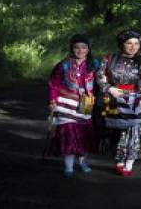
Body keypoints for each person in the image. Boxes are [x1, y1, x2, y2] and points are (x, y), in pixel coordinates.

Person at [97, 30, 141, 176]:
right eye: (129, 43)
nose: (133, 47)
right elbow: (99, 76)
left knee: (134, 131)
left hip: (137, 99)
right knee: (117, 131)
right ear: (121, 44)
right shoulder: (110, 58)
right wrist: (109, 88)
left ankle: (129, 161)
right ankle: (118, 161)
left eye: (136, 43)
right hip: (114, 98)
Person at [47, 34, 100, 177]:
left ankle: (83, 164)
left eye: (84, 47)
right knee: (68, 134)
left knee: (84, 135)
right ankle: (68, 167)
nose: (80, 50)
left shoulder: (95, 64)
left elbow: (103, 82)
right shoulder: (63, 65)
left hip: (87, 103)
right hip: (65, 103)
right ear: (72, 49)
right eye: (76, 47)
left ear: (88, 49)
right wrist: (52, 101)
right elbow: (54, 85)